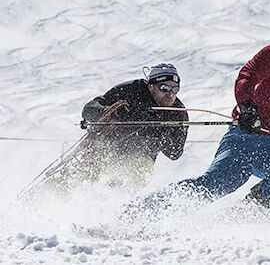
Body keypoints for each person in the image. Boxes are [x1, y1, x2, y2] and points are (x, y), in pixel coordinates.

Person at [132, 26, 270, 213]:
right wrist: (246, 106)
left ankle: (254, 208)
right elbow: (247, 75)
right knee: (218, 183)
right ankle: (145, 210)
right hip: (248, 138)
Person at [41, 63, 188, 193]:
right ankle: (44, 197)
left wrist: (162, 133)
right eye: (164, 88)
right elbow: (88, 109)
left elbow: (175, 153)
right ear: (151, 86)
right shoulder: (132, 90)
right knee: (80, 174)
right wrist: (108, 114)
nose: (170, 94)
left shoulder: (178, 113)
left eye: (175, 89)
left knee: (139, 172)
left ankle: (110, 206)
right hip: (106, 148)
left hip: (141, 158)